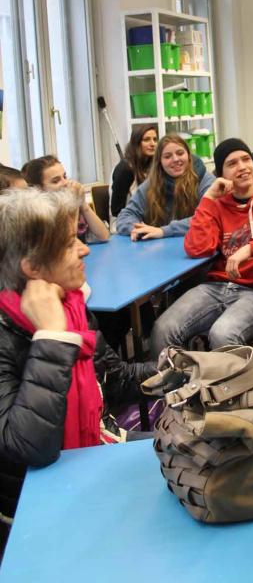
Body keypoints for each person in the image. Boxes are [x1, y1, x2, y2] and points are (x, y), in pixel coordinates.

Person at [0, 188, 156, 558]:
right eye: (70, 244)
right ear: (32, 268)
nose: (84, 250)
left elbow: (115, 380)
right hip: (30, 512)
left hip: (92, 455)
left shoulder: (69, 304)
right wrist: (51, 338)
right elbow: (29, 446)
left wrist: (186, 370)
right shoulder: (22, 331)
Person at [149, 138, 253, 359]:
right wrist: (208, 199)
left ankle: (231, 393)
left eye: (246, 159)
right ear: (221, 174)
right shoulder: (218, 204)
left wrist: (250, 249)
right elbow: (197, 248)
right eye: (232, 163)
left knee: (222, 334)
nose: (242, 167)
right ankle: (178, 389)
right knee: (162, 329)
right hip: (215, 287)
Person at [116, 134, 214, 240]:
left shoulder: (206, 180)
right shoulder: (151, 184)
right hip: (160, 250)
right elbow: (125, 215)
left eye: (180, 153)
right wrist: (138, 229)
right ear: (159, 162)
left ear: (189, 156)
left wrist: (164, 231)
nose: (175, 159)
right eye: (167, 156)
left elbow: (208, 217)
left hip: (198, 246)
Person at [22, 155, 109, 243]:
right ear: (38, 189)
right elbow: (68, 243)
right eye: (56, 181)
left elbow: (103, 236)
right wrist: (75, 204)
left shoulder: (67, 204)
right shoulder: (39, 216)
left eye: (65, 176)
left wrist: (82, 203)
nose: (65, 183)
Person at [110, 124, 158, 217]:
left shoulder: (153, 166)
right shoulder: (125, 169)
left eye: (155, 139)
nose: (152, 144)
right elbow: (116, 210)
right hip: (124, 224)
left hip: (147, 221)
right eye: (147, 140)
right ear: (136, 143)